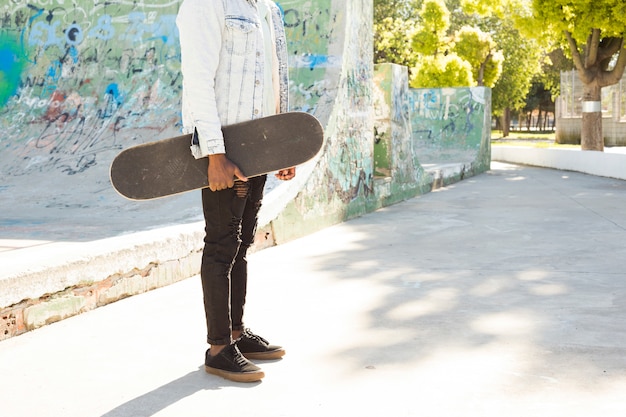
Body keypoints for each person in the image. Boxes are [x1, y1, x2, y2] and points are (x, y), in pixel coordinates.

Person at [176, 0, 294, 383]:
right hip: (223, 149)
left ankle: (237, 334)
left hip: (257, 148)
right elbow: (197, 80)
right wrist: (215, 154)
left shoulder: (267, 8)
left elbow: (276, 76)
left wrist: (281, 144)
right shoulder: (205, 4)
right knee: (222, 244)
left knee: (242, 244)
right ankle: (217, 348)